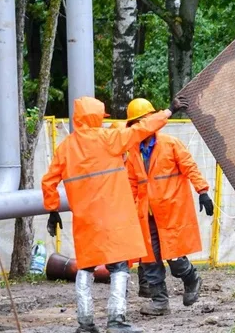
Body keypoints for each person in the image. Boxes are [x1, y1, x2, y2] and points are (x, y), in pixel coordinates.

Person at [42, 96, 181, 333]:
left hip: (85, 220)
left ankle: (85, 324)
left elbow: (49, 181)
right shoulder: (109, 139)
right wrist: (169, 110)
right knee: (119, 268)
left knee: (85, 267)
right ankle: (116, 321)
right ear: (96, 117)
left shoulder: (65, 147)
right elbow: (142, 128)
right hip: (113, 218)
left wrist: (53, 209)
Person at [123, 97, 213, 316]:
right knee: (150, 259)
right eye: (135, 124)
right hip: (147, 215)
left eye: (141, 122)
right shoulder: (132, 152)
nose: (139, 128)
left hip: (171, 212)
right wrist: (129, 213)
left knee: (175, 258)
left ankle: (192, 279)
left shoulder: (171, 144)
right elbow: (131, 184)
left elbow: (190, 167)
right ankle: (160, 302)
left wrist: (202, 191)